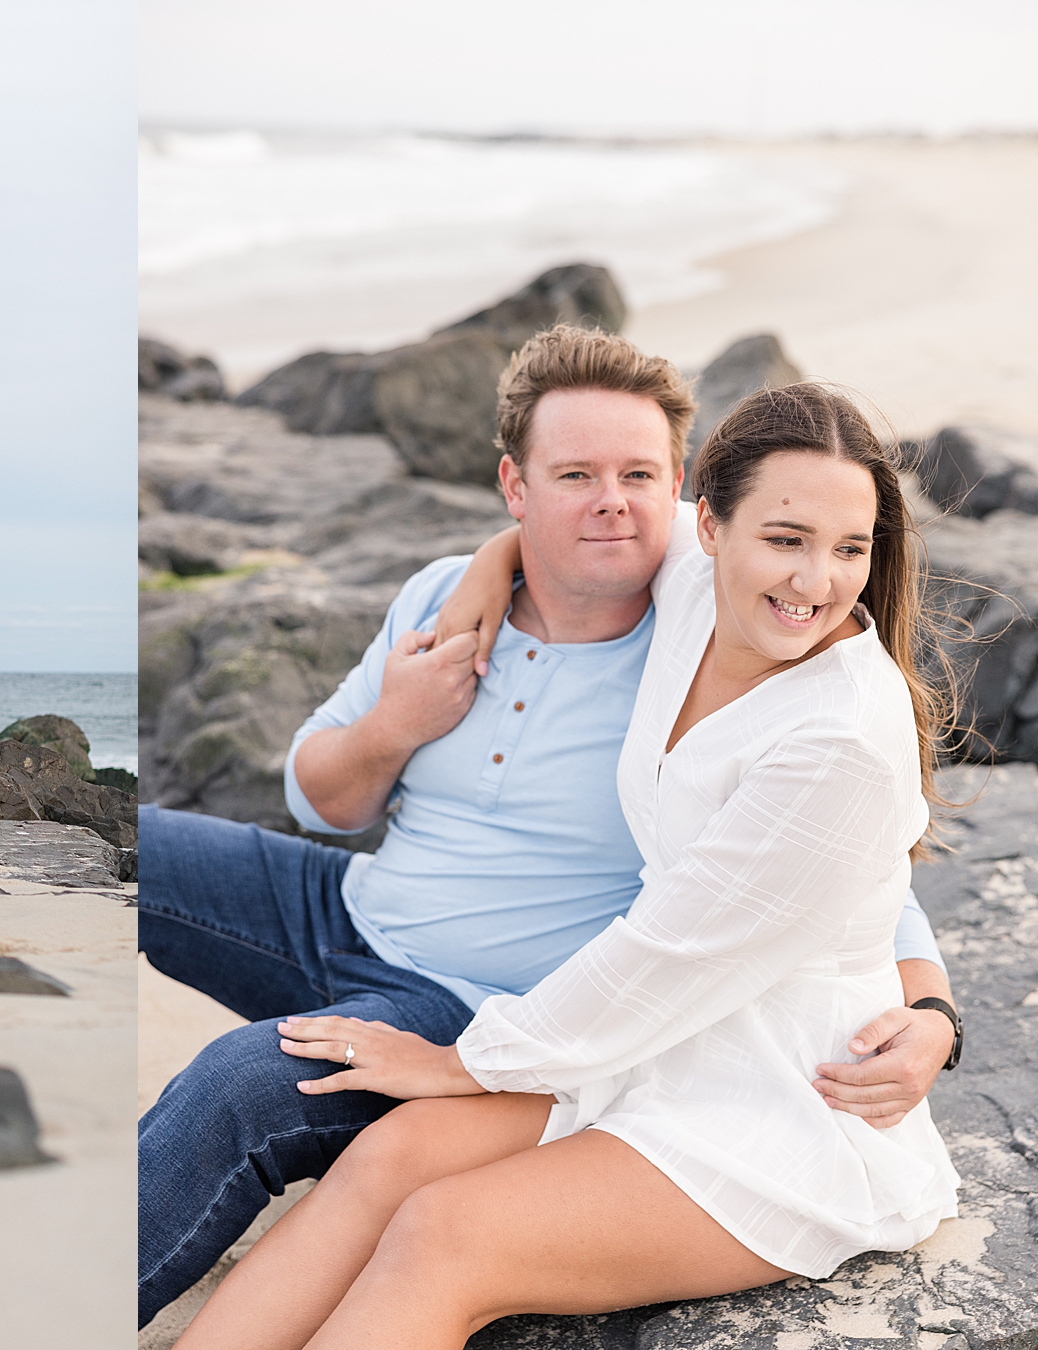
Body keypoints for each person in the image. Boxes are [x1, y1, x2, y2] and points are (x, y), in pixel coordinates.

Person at [136, 328, 961, 1327]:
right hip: (508, 986)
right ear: (713, 524)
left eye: (850, 550)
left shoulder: (797, 691)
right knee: (384, 1155)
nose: (816, 580)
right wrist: (475, 591)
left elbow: (811, 891)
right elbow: (323, 797)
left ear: (672, 496)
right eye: (574, 474)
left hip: (685, 1064)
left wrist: (933, 1018)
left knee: (410, 1209)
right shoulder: (687, 595)